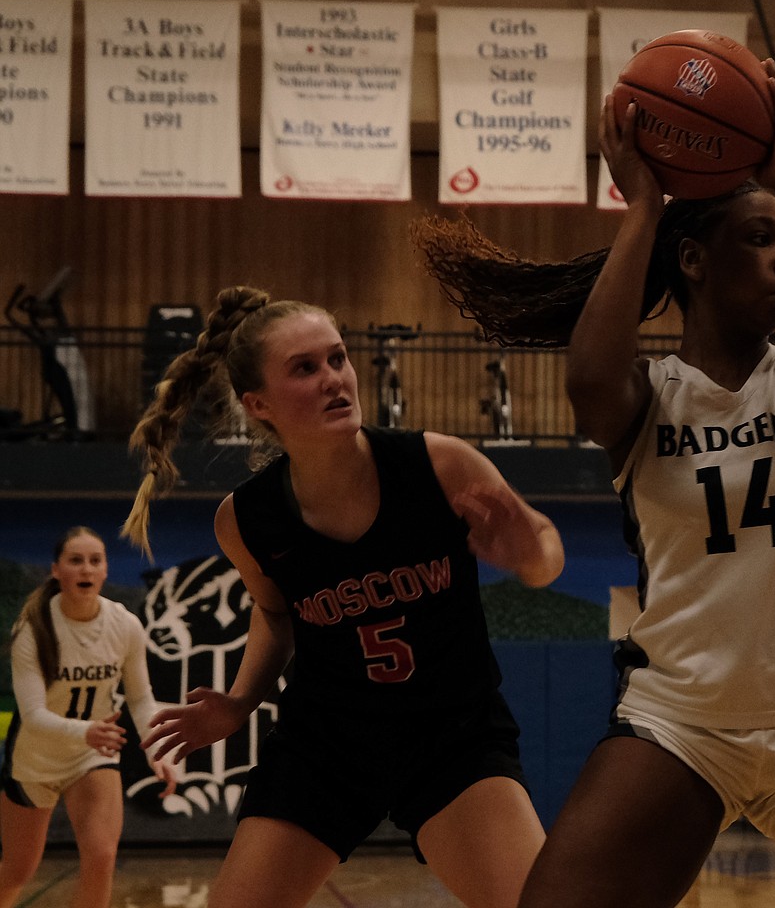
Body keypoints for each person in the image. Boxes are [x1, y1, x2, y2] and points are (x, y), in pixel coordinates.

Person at [412, 60, 775, 907]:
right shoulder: (647, 399)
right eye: (761, 240)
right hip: (679, 722)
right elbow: (588, 373)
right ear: (692, 260)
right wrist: (645, 208)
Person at [120, 287, 564, 908]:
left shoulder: (437, 464)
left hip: (452, 737)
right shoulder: (246, 520)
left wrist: (528, 554)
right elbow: (277, 611)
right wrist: (241, 701)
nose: (334, 379)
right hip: (326, 745)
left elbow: (543, 552)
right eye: (305, 368)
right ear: (259, 404)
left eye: (337, 358)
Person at [0, 526, 177, 908]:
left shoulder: (125, 624)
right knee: (18, 870)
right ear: (56, 571)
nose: (86, 568)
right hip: (36, 758)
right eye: (75, 560)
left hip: (92, 754)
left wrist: (155, 752)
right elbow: (32, 716)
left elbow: (141, 698)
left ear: (105, 571)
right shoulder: (33, 628)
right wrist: (86, 731)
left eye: (95, 560)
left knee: (101, 856)